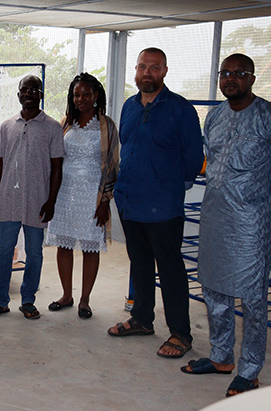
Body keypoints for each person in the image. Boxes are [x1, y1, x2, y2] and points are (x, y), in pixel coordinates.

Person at [180, 54, 271, 397]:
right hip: (214, 216)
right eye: (225, 73)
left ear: (252, 78)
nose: (230, 79)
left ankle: (250, 370)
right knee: (213, 289)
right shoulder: (215, 116)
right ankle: (221, 357)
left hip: (251, 224)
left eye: (239, 73)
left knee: (252, 298)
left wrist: (264, 206)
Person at [107, 47, 204, 359]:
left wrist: (170, 186)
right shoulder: (129, 106)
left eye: (154, 67)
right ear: (136, 71)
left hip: (163, 205)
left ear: (164, 71)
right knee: (140, 262)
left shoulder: (180, 109)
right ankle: (142, 319)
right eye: (142, 67)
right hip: (130, 199)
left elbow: (194, 158)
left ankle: (180, 333)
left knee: (170, 268)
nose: (146, 73)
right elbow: (126, 147)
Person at [0, 75, 64, 321]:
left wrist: (51, 200)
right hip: (8, 200)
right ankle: (0, 300)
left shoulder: (52, 127)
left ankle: (28, 301)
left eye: (34, 90)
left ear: (41, 94)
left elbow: (57, 167)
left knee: (34, 253)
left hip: (38, 201)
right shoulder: (7, 126)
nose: (29, 93)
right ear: (18, 95)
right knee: (3, 251)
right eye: (25, 90)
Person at [46, 73, 119, 320]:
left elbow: (112, 164)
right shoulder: (66, 123)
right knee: (64, 245)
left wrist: (105, 201)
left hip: (92, 196)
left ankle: (85, 300)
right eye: (76, 94)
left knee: (90, 246)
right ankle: (66, 295)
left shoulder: (107, 126)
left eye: (86, 94)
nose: (81, 99)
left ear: (96, 95)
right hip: (65, 193)